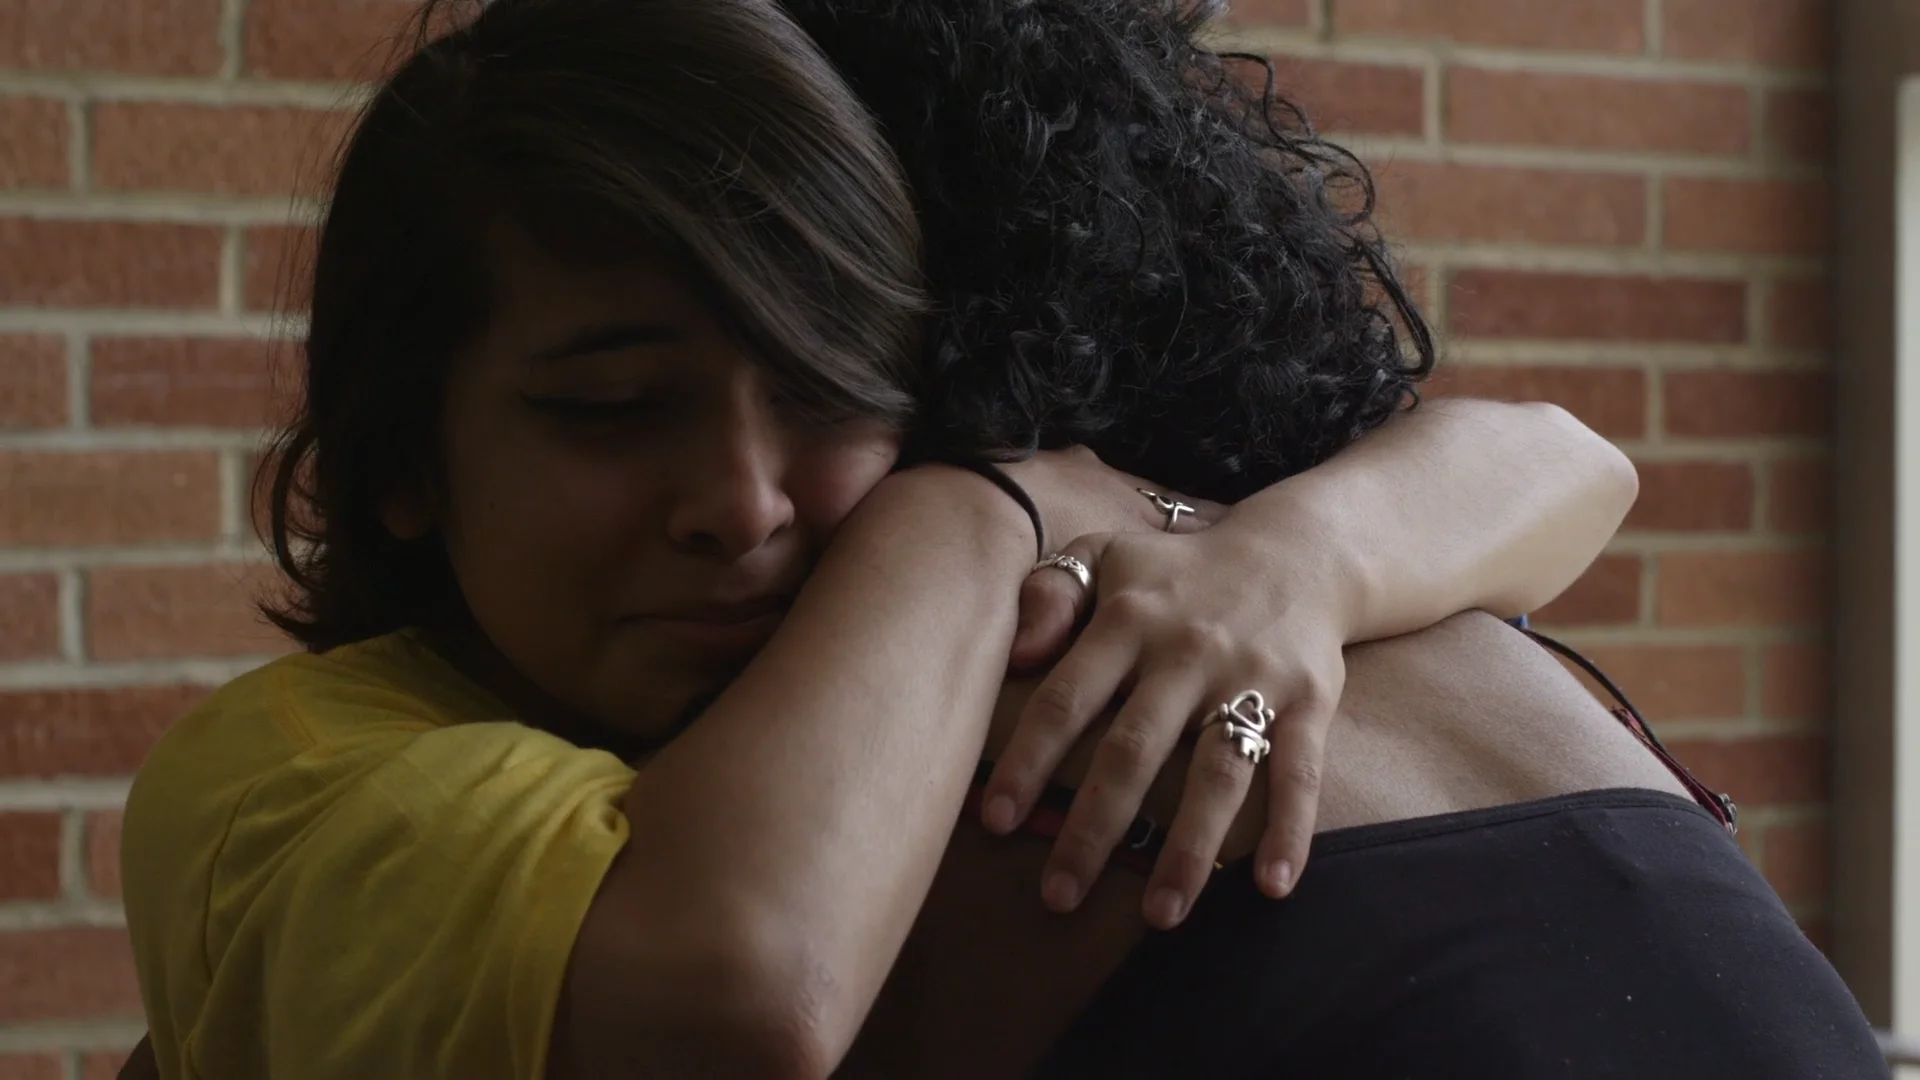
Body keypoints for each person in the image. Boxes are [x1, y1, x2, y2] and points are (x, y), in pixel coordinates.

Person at [114, 1, 1882, 1079]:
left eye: (831, 384)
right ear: (401, 444)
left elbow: (1565, 456)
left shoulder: (1141, 599)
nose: (744, 500)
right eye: (610, 405)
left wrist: (1243, 552)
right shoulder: (1128, 564)